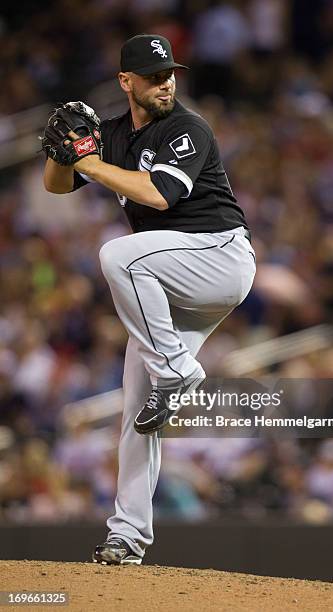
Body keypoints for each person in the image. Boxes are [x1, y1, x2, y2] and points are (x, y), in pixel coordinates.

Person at [43, 34, 256, 565]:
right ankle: (128, 536)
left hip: (217, 257)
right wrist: (62, 152)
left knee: (119, 255)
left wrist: (88, 162)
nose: (165, 82)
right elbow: (56, 186)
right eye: (154, 75)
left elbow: (159, 195)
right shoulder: (114, 134)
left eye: (170, 73)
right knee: (139, 409)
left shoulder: (187, 127)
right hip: (174, 276)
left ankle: (177, 369)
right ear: (126, 82)